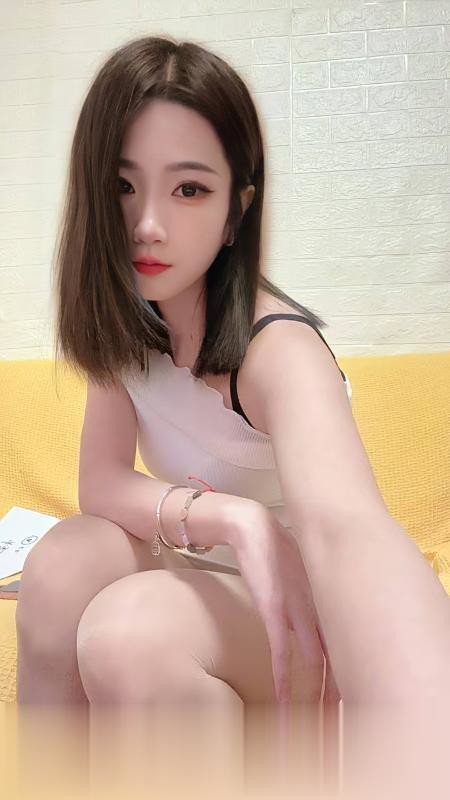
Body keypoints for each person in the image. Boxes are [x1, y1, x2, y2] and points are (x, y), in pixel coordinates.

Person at [16, 34, 449, 736]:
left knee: (130, 633)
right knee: (60, 564)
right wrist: (235, 519)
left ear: (235, 212)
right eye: (122, 186)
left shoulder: (277, 350)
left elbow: (346, 530)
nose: (147, 225)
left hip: (299, 604)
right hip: (210, 564)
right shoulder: (131, 324)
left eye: (189, 189)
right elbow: (101, 481)